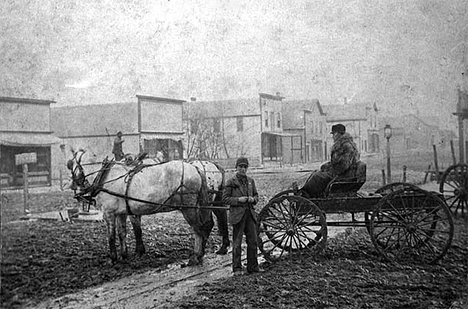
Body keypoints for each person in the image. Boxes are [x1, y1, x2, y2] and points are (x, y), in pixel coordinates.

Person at [222, 157, 261, 276]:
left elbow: (256, 196)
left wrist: (252, 199)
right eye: (240, 167)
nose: (243, 169)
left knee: (253, 241)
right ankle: (237, 269)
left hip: (250, 214)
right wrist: (239, 199)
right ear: (236, 168)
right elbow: (225, 199)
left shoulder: (250, 181)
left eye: (245, 167)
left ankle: (253, 268)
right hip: (238, 215)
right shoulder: (231, 182)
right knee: (237, 243)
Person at [300, 123, 360, 198]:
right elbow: (338, 162)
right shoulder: (344, 144)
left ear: (339, 134)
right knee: (316, 173)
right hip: (343, 173)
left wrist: (330, 169)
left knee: (317, 176)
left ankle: (307, 196)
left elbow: (344, 165)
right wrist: (328, 165)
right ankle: (307, 193)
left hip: (342, 175)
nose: (332, 136)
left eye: (334, 133)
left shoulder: (346, 146)